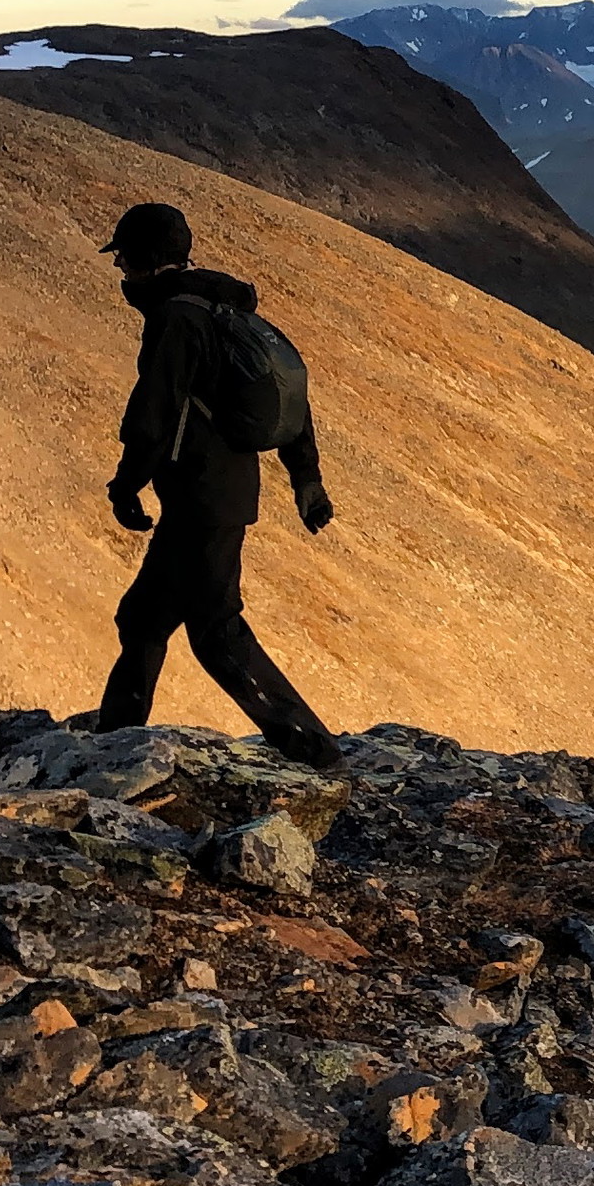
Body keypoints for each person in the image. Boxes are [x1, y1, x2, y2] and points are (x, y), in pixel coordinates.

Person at [91, 200, 346, 767]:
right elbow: (289, 396)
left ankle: (316, 753)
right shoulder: (221, 308)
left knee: (217, 633)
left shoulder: (176, 320)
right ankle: (115, 736)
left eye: (124, 259)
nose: (121, 271)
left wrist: (125, 485)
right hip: (221, 494)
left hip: (200, 499)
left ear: (146, 259)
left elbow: (154, 413)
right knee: (144, 617)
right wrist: (306, 478)